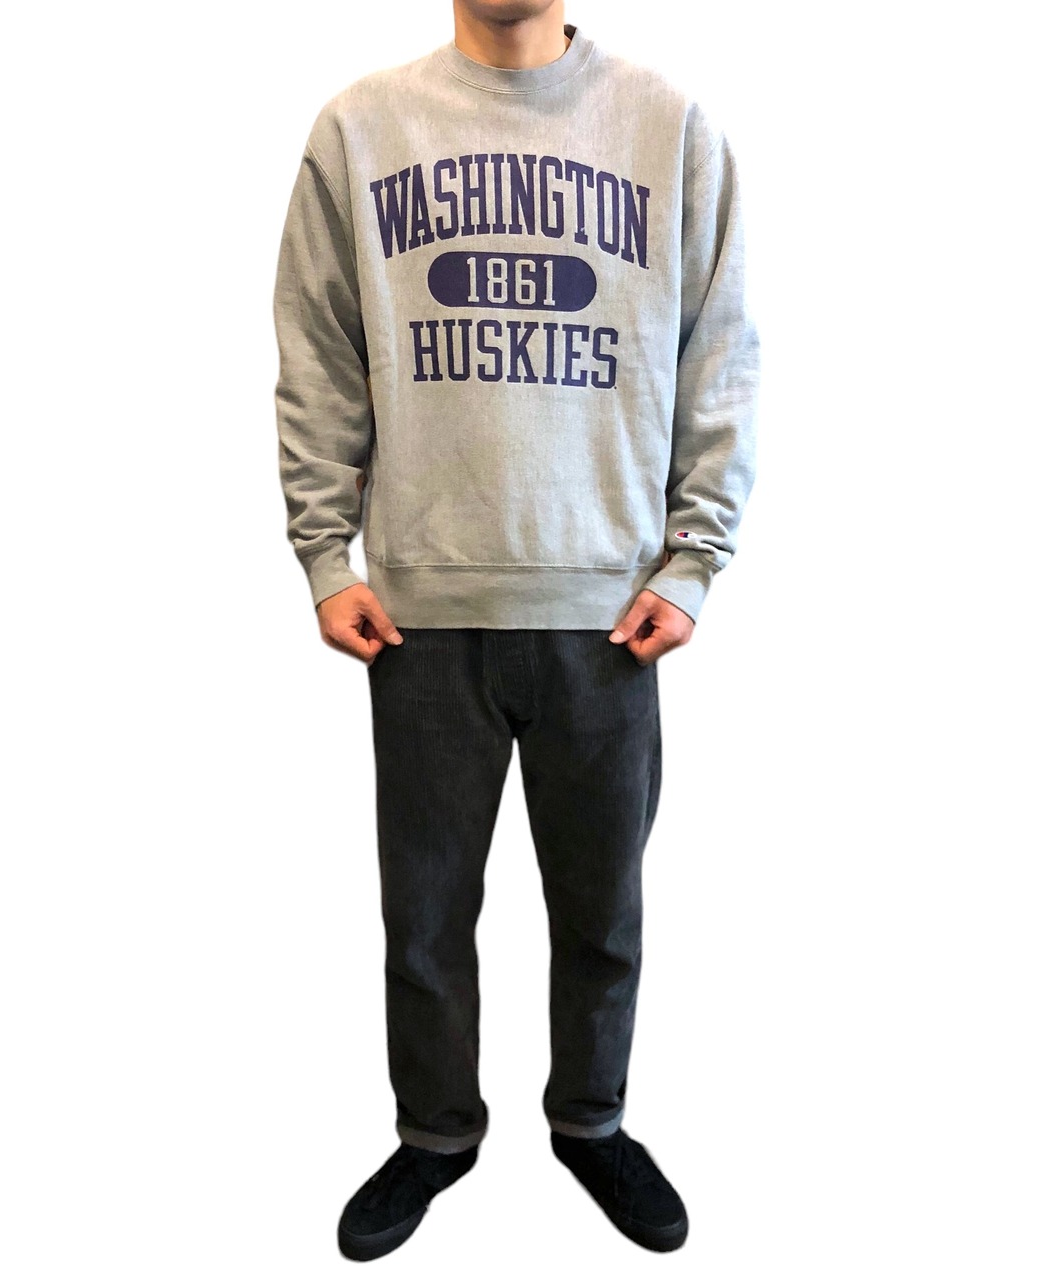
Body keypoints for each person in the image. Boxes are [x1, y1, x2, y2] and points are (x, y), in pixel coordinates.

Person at [272, 1, 760, 1260]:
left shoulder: (667, 128)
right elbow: (317, 349)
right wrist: (324, 554)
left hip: (609, 614)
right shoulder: (361, 129)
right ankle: (435, 1132)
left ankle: (590, 1119)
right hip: (419, 615)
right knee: (425, 915)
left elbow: (721, 350)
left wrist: (695, 559)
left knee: (601, 910)